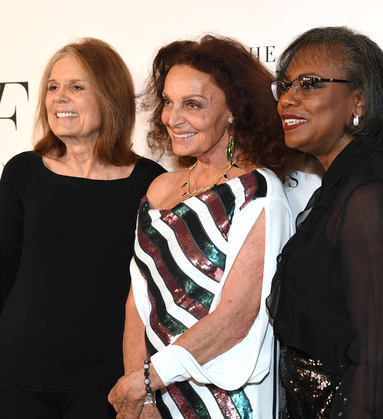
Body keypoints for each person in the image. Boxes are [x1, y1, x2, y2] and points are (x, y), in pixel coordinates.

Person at [0, 37, 166, 419]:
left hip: (107, 385)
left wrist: (147, 387)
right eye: (52, 87)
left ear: (110, 96)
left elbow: (158, 299)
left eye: (76, 87)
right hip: (18, 377)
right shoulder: (22, 173)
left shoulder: (150, 183)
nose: (59, 97)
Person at [108, 35, 294, 419]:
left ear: (234, 112)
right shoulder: (159, 189)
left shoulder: (256, 191)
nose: (173, 117)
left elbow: (235, 320)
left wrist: (146, 380)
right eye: (169, 101)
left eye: (193, 104)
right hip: (152, 391)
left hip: (224, 400)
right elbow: (137, 303)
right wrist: (141, 396)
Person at [266, 26, 383, 418]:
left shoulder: (369, 194)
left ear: (359, 99)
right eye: (285, 85)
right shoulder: (338, 188)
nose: (287, 99)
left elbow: (378, 359)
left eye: (309, 85)